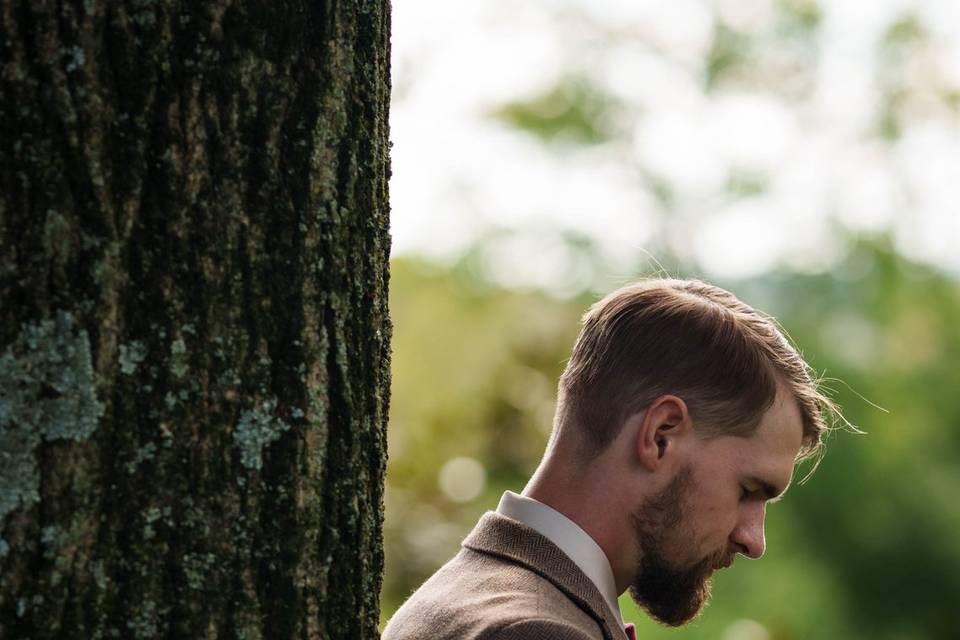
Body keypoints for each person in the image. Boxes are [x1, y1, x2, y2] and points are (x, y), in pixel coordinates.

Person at [382, 278, 838, 640]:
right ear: (660, 435)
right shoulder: (536, 632)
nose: (754, 540)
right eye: (749, 490)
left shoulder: (474, 597)